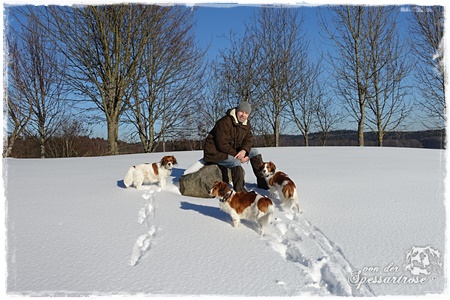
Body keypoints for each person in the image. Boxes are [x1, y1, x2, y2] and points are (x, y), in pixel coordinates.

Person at [203, 101, 269, 192]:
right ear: (237, 110)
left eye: (246, 113)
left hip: (231, 150)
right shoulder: (224, 122)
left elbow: (248, 139)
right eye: (241, 112)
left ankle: (263, 183)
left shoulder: (246, 124)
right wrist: (238, 156)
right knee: (235, 162)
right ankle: (240, 190)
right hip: (215, 152)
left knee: (254, 152)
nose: (243, 115)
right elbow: (221, 144)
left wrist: (244, 151)